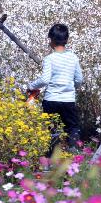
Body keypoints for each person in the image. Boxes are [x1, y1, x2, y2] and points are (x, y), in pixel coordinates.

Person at [28, 23, 84, 152]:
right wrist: (72, 88)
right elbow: (79, 79)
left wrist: (31, 86)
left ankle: (51, 157)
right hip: (68, 100)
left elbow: (45, 80)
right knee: (72, 127)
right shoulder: (73, 58)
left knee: (51, 128)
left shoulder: (49, 58)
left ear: (52, 40)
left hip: (51, 99)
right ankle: (73, 151)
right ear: (66, 40)